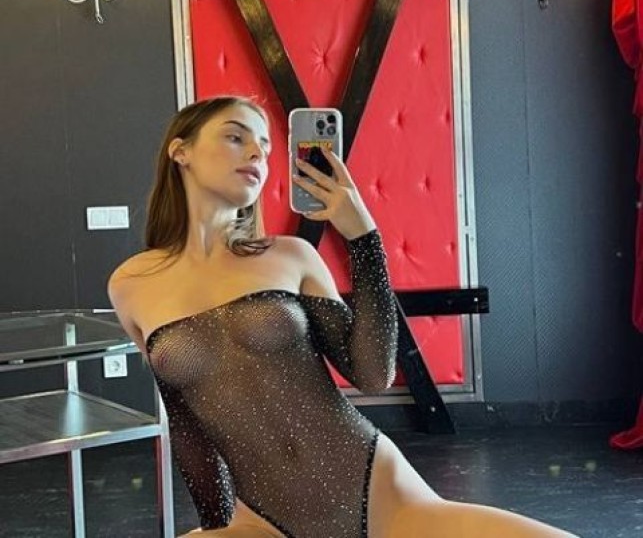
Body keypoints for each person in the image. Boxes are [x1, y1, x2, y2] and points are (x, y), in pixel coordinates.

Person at [108, 95, 579, 538]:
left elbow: (373, 375)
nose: (256, 153)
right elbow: (188, 427)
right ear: (181, 152)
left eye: (265, 147)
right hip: (265, 524)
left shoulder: (290, 256)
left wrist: (363, 238)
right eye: (236, 136)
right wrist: (217, 525)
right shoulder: (132, 285)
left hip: (380, 498)